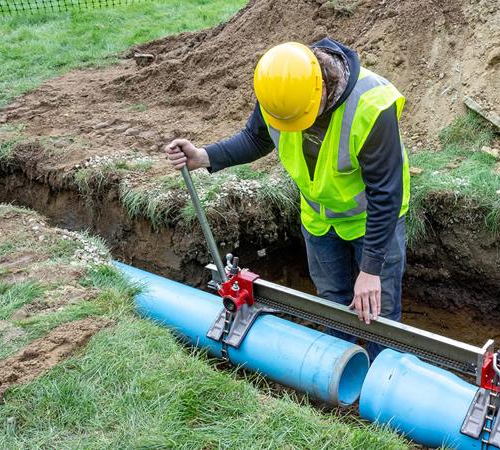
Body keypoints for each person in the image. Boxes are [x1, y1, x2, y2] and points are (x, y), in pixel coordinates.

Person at [164, 38, 410, 360]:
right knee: (332, 303)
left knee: (377, 313)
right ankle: (336, 377)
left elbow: (385, 192)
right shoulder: (279, 88)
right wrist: (203, 157)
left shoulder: (372, 105)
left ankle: (386, 393)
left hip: (374, 221)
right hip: (320, 220)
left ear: (320, 91)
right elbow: (256, 137)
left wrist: (371, 269)